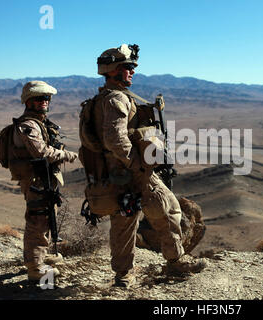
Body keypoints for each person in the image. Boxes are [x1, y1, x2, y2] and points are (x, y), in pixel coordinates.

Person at [90, 43, 206, 287]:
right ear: (113, 70)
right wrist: (137, 164)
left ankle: (123, 276)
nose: (132, 71)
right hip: (133, 171)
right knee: (168, 210)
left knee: (124, 222)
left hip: (116, 173)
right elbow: (115, 139)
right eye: (128, 67)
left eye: (132, 67)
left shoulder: (103, 99)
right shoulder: (116, 100)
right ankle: (175, 262)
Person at [11, 81, 78, 281]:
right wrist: (65, 155)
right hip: (35, 182)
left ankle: (41, 257)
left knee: (46, 220)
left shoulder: (39, 122)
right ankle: (35, 269)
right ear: (28, 101)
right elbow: (41, 152)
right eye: (39, 98)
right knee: (37, 222)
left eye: (46, 98)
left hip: (43, 180)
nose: (44, 102)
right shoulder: (28, 125)